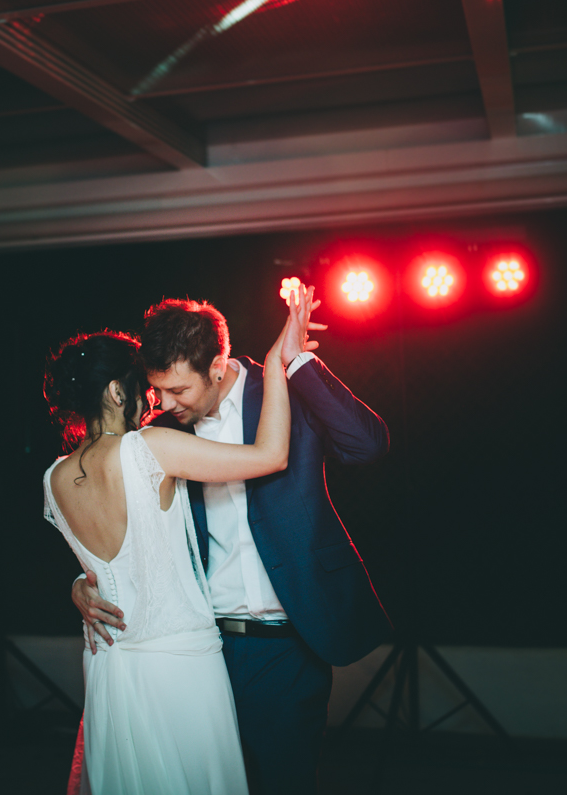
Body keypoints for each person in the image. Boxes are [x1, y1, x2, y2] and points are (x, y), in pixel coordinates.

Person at [72, 291, 392, 794]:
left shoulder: (282, 390)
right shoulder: (161, 436)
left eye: (177, 389)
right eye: (158, 391)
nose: (165, 404)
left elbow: (366, 445)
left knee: (285, 782)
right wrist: (83, 581)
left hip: (287, 643)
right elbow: (122, 528)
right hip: (203, 648)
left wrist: (297, 361)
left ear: (217, 367)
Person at [43, 287, 316, 794]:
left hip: (109, 663)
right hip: (181, 663)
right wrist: (278, 363)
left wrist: (80, 584)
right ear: (115, 392)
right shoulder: (152, 449)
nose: (155, 399)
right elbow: (271, 456)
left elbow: (107, 563)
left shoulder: (54, 478)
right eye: (141, 386)